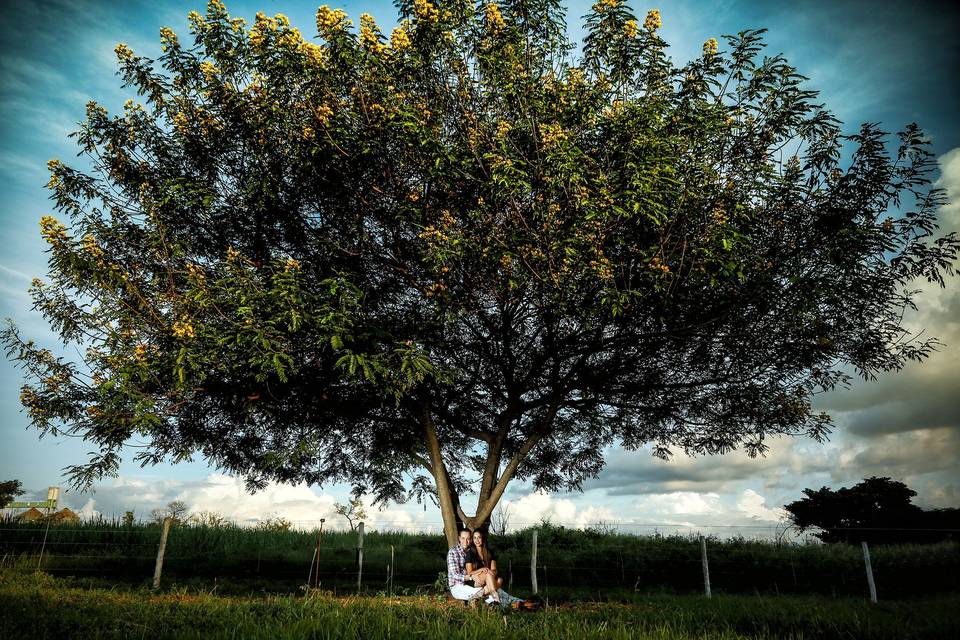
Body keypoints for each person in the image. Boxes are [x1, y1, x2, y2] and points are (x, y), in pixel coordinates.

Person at [466, 528, 526, 609]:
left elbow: (494, 569)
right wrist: (483, 569)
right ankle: (497, 600)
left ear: (483, 538)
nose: (477, 540)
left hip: (488, 577)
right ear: (472, 539)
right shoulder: (470, 552)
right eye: (474, 538)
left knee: (499, 580)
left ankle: (476, 597)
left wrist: (492, 572)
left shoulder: (489, 552)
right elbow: (469, 572)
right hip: (475, 579)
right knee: (489, 575)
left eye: (479, 537)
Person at [446, 528, 486, 602]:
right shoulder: (453, 552)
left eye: (468, 539)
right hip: (457, 586)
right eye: (463, 538)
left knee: (489, 588)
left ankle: (513, 601)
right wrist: (471, 577)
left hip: (471, 583)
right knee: (482, 591)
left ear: (471, 540)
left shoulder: (471, 551)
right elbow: (455, 575)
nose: (465, 541)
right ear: (459, 538)